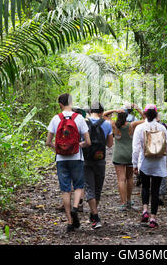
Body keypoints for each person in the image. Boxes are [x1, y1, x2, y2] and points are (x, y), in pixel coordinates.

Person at [46, 94, 91, 233]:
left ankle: (70, 222)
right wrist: (79, 145)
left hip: (61, 159)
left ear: (60, 104)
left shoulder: (55, 118)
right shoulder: (79, 118)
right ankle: (76, 207)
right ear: (71, 103)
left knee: (65, 189)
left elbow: (48, 142)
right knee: (78, 186)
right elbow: (88, 142)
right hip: (76, 157)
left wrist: (59, 149)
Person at [132, 104, 167, 228]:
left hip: (145, 163)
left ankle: (144, 210)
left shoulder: (140, 128)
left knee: (145, 187)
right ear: (156, 114)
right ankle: (153, 219)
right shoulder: (162, 127)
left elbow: (136, 148)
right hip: (159, 163)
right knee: (155, 190)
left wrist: (134, 164)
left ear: (145, 114)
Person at [104, 107, 144, 211]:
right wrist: (138, 109)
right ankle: (129, 201)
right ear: (127, 116)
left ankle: (123, 203)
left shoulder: (114, 125)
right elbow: (145, 119)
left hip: (118, 155)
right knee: (129, 178)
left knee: (121, 179)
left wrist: (113, 110)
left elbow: (103, 115)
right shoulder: (132, 125)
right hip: (130, 154)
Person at [83, 102, 113, 229]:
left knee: (89, 187)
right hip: (100, 159)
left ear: (90, 111)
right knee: (97, 188)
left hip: (85, 159)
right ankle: (94, 215)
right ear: (101, 112)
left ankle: (94, 215)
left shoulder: (83, 122)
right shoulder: (107, 124)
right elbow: (110, 144)